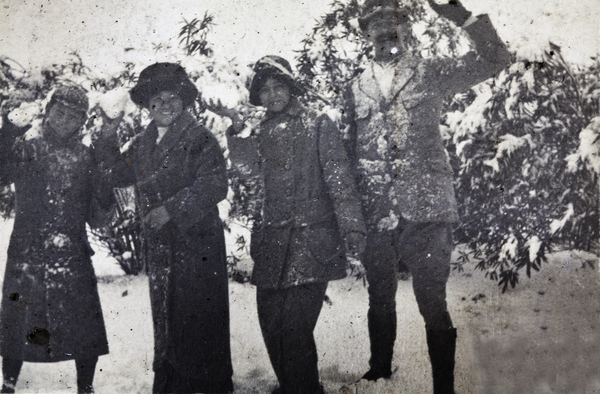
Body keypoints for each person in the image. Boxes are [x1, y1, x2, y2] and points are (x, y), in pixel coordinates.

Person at [342, 0, 511, 393]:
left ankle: (443, 388)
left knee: (432, 301)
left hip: (428, 208)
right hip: (377, 210)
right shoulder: (355, 86)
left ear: (406, 27)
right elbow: (350, 149)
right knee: (379, 297)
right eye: (376, 24)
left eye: (393, 21)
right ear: (366, 33)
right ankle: (379, 372)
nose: (386, 29)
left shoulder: (430, 73)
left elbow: (495, 60)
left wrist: (467, 21)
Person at [219, 55, 366, 394]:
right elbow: (250, 173)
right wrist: (237, 127)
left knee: (295, 328)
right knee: (271, 324)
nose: (272, 95)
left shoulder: (318, 124)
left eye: (278, 87)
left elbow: (339, 177)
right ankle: (294, 388)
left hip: (313, 241)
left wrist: (352, 227)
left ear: (290, 87)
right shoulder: (261, 131)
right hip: (272, 243)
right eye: (265, 90)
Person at [103, 62, 234, 393]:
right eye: (157, 99)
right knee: (166, 317)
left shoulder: (200, 138)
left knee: (199, 318)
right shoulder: (143, 142)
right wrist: (108, 133)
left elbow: (215, 183)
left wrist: (171, 210)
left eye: (172, 97)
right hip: (162, 248)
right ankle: (169, 383)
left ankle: (208, 385)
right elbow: (116, 173)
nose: (165, 105)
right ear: (147, 105)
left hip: (198, 246)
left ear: (185, 100)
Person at [0, 86, 112, 393]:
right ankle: (7, 384)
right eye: (59, 112)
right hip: (27, 250)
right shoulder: (26, 146)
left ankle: (85, 387)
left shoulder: (86, 155)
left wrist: (105, 180)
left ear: (83, 121)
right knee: (18, 323)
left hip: (71, 250)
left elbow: (98, 212)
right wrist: (8, 130)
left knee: (83, 325)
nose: (64, 120)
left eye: (73, 116)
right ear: (47, 112)